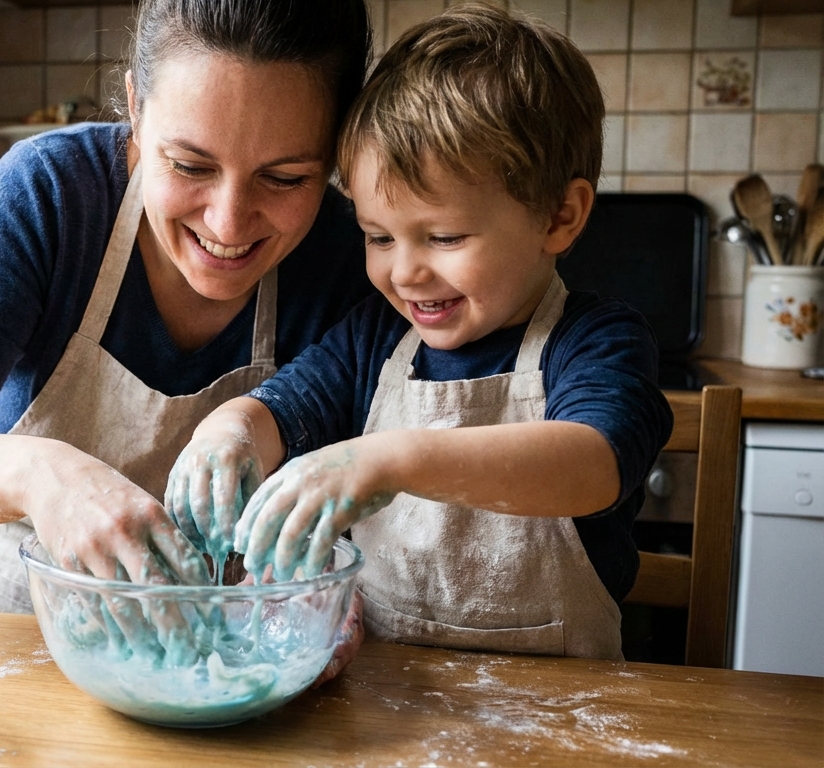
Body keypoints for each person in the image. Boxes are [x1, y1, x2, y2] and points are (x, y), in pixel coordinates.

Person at [166, 4, 673, 662]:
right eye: (378, 237)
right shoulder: (373, 339)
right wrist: (228, 432)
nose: (404, 271)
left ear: (560, 216)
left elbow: (593, 465)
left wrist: (394, 459)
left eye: (444, 237)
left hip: (558, 713)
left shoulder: (595, 341)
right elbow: (282, 411)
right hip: (380, 703)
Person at [0, 0, 376, 617]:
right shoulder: (51, 193)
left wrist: (330, 606)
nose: (228, 221)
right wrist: (39, 478)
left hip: (211, 665)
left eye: (285, 178)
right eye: (189, 165)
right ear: (134, 107)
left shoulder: (355, 257)